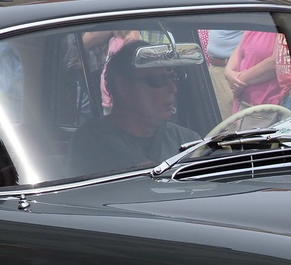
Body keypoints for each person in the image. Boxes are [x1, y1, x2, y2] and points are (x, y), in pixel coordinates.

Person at [69, 55, 200, 175]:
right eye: (158, 80)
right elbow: (149, 177)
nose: (173, 88)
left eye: (173, 78)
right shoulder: (92, 139)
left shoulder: (186, 139)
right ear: (123, 87)